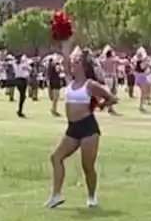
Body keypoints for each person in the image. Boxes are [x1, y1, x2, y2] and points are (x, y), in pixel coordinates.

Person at [46, 48, 117, 209]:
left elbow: (112, 98)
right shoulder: (70, 82)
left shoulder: (90, 85)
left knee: (87, 166)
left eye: (76, 63)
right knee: (56, 157)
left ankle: (92, 197)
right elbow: (64, 59)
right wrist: (66, 43)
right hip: (72, 129)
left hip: (88, 128)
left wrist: (99, 105)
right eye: (73, 62)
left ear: (84, 67)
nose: (72, 65)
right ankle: (56, 195)